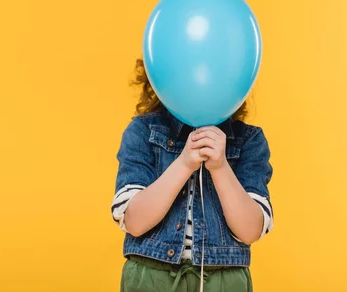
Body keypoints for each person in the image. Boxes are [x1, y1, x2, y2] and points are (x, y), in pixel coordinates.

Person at [111, 59, 274, 292]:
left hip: (223, 281)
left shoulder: (249, 141)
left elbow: (249, 231)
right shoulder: (142, 132)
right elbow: (135, 223)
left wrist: (219, 167)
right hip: (151, 279)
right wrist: (185, 163)